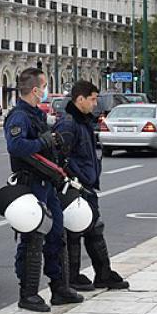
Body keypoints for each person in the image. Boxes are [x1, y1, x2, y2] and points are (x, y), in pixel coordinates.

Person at [4, 67, 83, 311]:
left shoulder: (36, 115)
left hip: (48, 184)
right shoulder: (19, 116)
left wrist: (56, 141)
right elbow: (16, 146)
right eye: (45, 86)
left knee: (56, 234)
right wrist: (43, 141)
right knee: (33, 238)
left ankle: (59, 287)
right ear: (36, 90)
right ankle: (27, 293)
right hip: (31, 185)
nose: (46, 91)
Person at [53, 80, 129, 290]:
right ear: (80, 99)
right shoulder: (68, 124)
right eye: (93, 99)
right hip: (76, 186)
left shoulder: (82, 121)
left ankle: (101, 273)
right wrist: (73, 178)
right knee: (77, 229)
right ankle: (76, 275)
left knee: (91, 228)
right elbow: (59, 157)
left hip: (85, 183)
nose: (96, 104)